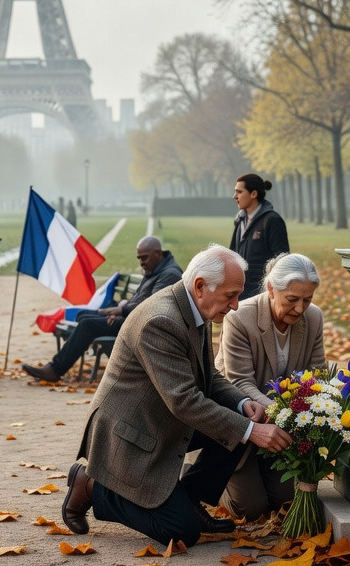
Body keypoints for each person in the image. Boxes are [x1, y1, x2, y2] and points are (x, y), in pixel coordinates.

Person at [62, 245, 293, 546]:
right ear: (200, 286)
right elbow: (184, 401)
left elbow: (208, 377)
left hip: (162, 420)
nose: (236, 305)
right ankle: (93, 486)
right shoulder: (161, 320)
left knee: (240, 424)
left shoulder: (195, 307)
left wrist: (242, 403)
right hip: (132, 436)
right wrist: (252, 431)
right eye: (230, 295)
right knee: (182, 532)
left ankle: (189, 499)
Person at [213, 253, 326, 519]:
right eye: (292, 300)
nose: (300, 309)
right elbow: (239, 382)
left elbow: (316, 376)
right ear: (271, 289)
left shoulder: (314, 318)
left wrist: (300, 416)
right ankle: (209, 477)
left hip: (284, 428)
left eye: (307, 300)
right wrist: (287, 413)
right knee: (250, 509)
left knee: (284, 500)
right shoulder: (240, 318)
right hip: (242, 421)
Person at [21, 235, 182, 382]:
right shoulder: (156, 269)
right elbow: (139, 299)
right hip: (131, 319)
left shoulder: (169, 274)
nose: (141, 262)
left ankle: (55, 369)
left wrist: (120, 311)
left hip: (141, 327)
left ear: (158, 254)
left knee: (87, 325)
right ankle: (58, 365)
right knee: (83, 316)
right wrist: (121, 308)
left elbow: (149, 306)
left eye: (144, 258)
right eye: (139, 258)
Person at [230, 173, 289, 299]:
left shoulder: (272, 220)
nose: (234, 196)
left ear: (253, 194)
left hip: (262, 295)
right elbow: (232, 255)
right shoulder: (240, 220)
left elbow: (282, 260)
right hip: (240, 295)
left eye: (239, 192)